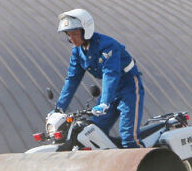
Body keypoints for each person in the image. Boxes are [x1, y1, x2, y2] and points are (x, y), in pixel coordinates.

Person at [55, 9, 145, 148]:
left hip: (128, 86)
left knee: (129, 137)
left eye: (74, 34)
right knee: (94, 132)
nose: (71, 38)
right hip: (109, 91)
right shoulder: (77, 51)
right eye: (68, 34)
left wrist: (104, 103)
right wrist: (59, 108)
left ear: (86, 31)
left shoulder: (107, 45)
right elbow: (72, 79)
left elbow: (111, 74)